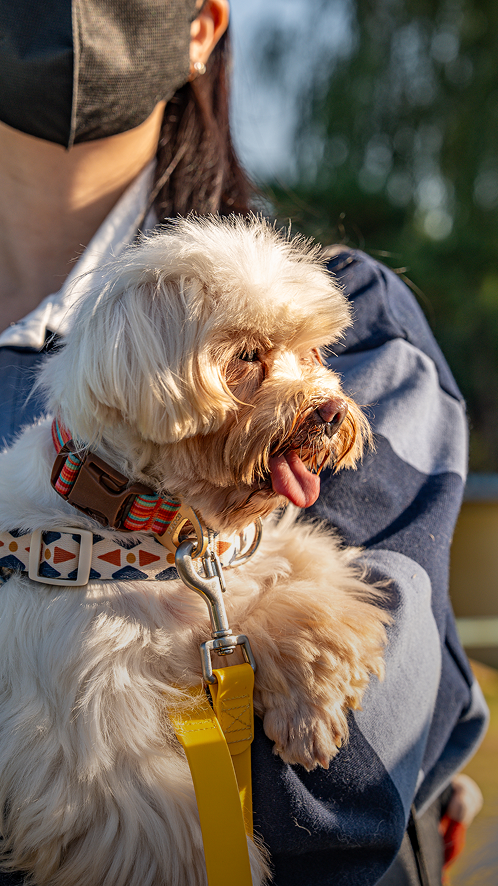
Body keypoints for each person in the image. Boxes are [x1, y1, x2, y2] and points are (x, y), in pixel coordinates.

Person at [0, 1, 488, 884]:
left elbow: (344, 796)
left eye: (309, 358)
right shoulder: (123, 358)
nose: (317, 397)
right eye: (250, 365)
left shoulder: (372, 326)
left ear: (202, 23)